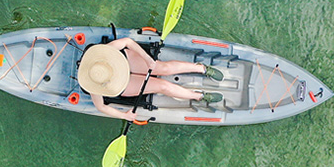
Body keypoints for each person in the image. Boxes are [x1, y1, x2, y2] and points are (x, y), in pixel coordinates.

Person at [77, 38, 224, 121]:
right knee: (163, 86)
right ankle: (199, 96)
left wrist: (148, 59)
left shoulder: (106, 51)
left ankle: (201, 68)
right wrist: (125, 116)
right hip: (120, 84)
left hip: (124, 60)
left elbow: (128, 42)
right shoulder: (94, 80)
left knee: (163, 69)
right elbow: (101, 107)